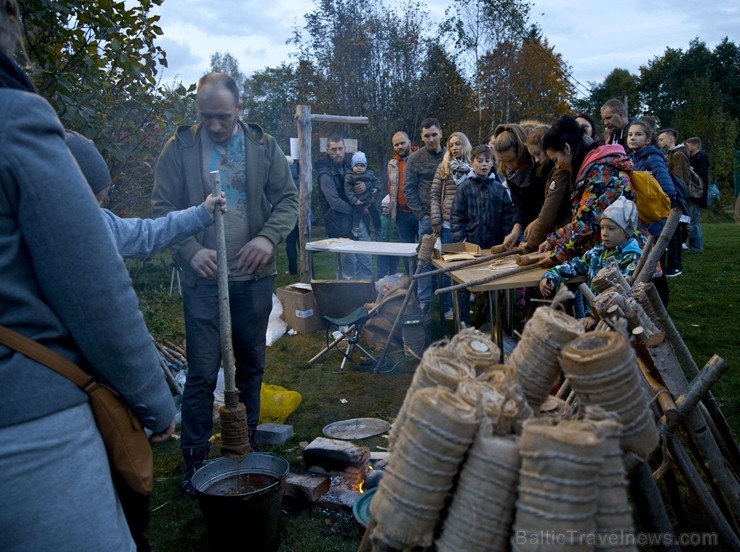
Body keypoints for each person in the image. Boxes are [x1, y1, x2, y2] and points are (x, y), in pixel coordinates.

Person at [0, 2, 176, 550]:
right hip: (28, 428)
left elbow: (148, 230)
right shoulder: (14, 118)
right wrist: (155, 402)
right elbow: (97, 295)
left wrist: (202, 212)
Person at [151, 72, 298, 498]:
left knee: (251, 365)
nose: (214, 125)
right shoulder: (179, 149)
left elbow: (288, 198)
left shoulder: (261, 146)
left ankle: (244, 446)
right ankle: (193, 459)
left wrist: (267, 237)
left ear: (239, 109)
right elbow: (163, 209)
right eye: (206, 116)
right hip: (203, 282)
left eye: (222, 116)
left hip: (252, 279)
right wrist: (190, 251)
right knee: (200, 373)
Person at [65, 130, 227, 260]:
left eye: (100, 203)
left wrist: (202, 212)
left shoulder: (103, 225)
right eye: (91, 203)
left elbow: (148, 233)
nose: (97, 211)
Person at [539, 115, 634, 266]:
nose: (557, 166)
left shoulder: (601, 174)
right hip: (614, 256)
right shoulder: (591, 170)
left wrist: (556, 255)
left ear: (567, 148)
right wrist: (554, 239)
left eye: (556, 160)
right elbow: (582, 217)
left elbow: (586, 223)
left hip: (625, 261)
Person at [540, 197, 642, 330]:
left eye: (611, 228)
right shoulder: (597, 253)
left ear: (626, 232)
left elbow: (618, 295)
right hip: (596, 320)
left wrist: (592, 316)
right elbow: (574, 266)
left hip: (618, 324)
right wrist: (551, 275)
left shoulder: (631, 258)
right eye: (602, 227)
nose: (605, 233)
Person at [450, 145, 513, 324]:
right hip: (470, 245)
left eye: (487, 161)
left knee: (494, 284)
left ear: (493, 163)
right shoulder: (464, 188)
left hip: (494, 246)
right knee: (465, 285)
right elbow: (456, 216)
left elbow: (507, 216)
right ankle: (463, 322)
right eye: (479, 161)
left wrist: (506, 238)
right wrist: (461, 240)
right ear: (472, 163)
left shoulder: (499, 188)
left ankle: (494, 322)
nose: (484, 165)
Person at [404, 117, 446, 312]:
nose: (431, 139)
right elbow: (408, 189)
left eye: (434, 135)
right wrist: (421, 215)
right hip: (427, 219)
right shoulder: (414, 159)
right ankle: (424, 303)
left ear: (441, 134)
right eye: (427, 136)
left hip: (448, 219)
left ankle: (448, 304)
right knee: (425, 262)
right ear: (422, 137)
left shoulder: (450, 156)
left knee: (448, 261)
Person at [316, 135, 372, 279]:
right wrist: (358, 211)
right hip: (338, 223)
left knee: (365, 258)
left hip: (355, 219)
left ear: (345, 149)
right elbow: (334, 202)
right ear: (327, 150)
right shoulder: (325, 174)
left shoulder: (349, 167)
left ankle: (364, 296)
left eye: (340, 148)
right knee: (348, 265)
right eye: (333, 149)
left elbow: (369, 179)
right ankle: (345, 298)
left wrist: (368, 185)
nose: (337, 152)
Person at [431, 131, 472, 319]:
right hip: (447, 224)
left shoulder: (473, 166)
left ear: (465, 145)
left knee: (466, 266)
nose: (455, 148)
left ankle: (462, 307)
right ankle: (447, 308)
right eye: (451, 144)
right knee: (447, 269)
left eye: (458, 144)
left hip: (468, 224)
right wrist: (436, 220)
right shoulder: (444, 168)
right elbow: (434, 195)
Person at [490, 123, 547, 250]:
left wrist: (539, 220)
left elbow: (551, 201)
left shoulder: (538, 163)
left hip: (549, 222)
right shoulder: (510, 172)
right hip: (529, 226)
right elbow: (519, 203)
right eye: (503, 161)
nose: (508, 165)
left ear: (521, 151)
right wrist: (515, 230)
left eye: (511, 160)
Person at [520, 124, 571, 253]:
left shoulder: (560, 170)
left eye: (538, 154)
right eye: (533, 156)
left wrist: (531, 245)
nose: (536, 160)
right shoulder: (546, 171)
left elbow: (551, 208)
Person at [383, 131, 419, 275]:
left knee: (425, 251)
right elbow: (391, 187)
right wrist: (391, 207)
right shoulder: (392, 164)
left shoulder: (420, 158)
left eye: (402, 143)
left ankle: (428, 283)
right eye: (396, 144)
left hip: (419, 213)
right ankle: (412, 281)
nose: (399, 146)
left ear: (409, 142)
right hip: (401, 215)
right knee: (407, 251)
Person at [658, 128, 690, 277]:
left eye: (662, 139)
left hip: (676, 197)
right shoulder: (670, 155)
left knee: (675, 232)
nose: (660, 143)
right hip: (672, 197)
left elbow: (679, 180)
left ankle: (676, 265)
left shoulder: (678, 155)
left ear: (671, 139)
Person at [344, 151, 382, 240]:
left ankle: (378, 229)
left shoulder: (369, 174)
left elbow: (376, 182)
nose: (359, 168)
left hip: (369, 200)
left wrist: (376, 189)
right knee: (357, 213)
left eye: (362, 166)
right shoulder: (349, 176)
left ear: (365, 167)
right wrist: (354, 200)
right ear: (352, 166)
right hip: (359, 201)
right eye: (356, 166)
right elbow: (348, 190)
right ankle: (355, 228)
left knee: (375, 214)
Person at [685, 136, 709, 253]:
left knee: (693, 221)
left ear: (694, 145)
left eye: (688, 145)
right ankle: (693, 245)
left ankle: (696, 247)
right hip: (693, 194)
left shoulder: (701, 158)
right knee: (691, 220)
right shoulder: (694, 158)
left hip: (695, 194)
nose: (686, 148)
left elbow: (700, 176)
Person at [285, 157, 300, 274]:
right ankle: (308, 268)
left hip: (291, 216)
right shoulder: (301, 176)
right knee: (303, 243)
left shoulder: (284, 179)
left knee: (290, 243)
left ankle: (293, 270)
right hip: (303, 216)